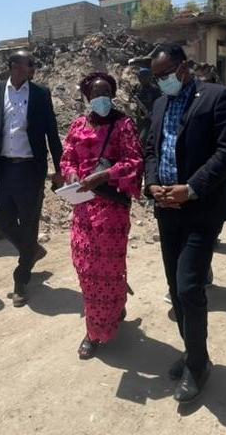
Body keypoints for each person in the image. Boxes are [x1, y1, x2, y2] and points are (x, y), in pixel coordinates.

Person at [144, 44, 226, 404]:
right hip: (166, 208)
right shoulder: (159, 104)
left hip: (201, 208)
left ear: (184, 68)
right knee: (174, 286)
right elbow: (151, 149)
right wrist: (152, 184)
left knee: (188, 287)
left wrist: (192, 188)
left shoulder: (217, 96)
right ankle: (193, 353)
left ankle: (198, 366)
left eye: (165, 74)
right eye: (156, 77)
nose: (161, 82)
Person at [60, 72, 143, 360]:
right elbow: (68, 157)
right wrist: (71, 174)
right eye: (96, 94)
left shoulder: (124, 125)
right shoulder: (78, 125)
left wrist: (104, 175)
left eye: (106, 93)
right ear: (87, 97)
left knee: (107, 269)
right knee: (85, 267)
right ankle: (107, 309)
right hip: (83, 206)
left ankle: (94, 332)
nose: (102, 99)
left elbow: (134, 161)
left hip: (111, 210)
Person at [0, 50, 64, 307]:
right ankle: (31, 250)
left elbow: (52, 133)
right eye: (30, 64)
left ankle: (21, 278)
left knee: (29, 222)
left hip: (30, 169)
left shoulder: (40, 94)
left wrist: (60, 168)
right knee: (0, 218)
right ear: (14, 66)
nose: (34, 68)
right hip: (3, 168)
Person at [133, 68, 162, 145]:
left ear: (149, 78)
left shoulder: (155, 90)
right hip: (140, 118)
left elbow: (159, 104)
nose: (141, 79)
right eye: (140, 77)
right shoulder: (137, 88)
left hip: (149, 118)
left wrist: (152, 114)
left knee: (143, 138)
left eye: (143, 77)